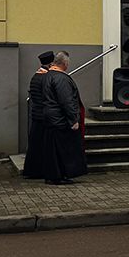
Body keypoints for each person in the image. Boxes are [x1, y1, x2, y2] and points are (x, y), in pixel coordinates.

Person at [42, 52, 88, 186]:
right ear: (65, 63)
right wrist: (74, 119)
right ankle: (60, 175)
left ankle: (53, 175)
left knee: (53, 151)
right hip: (60, 120)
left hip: (51, 118)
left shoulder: (47, 76)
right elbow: (66, 101)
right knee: (63, 150)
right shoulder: (61, 78)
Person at [23, 51, 55, 179]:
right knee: (43, 145)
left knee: (35, 145)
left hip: (36, 114)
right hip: (44, 115)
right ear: (50, 63)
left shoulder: (36, 76)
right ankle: (40, 171)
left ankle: (31, 170)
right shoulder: (46, 77)